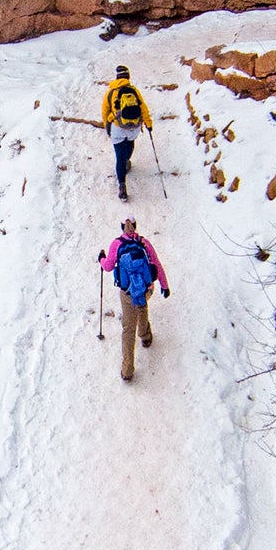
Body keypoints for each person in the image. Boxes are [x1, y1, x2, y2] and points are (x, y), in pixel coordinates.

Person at [98, 217, 170, 381]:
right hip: (146, 289)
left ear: (122, 227)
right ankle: (145, 336)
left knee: (128, 329)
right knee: (142, 308)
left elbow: (108, 266)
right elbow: (156, 264)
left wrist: (101, 258)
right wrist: (164, 286)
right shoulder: (144, 242)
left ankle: (127, 370)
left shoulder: (117, 244)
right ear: (136, 226)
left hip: (128, 292)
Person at [100, 65, 153, 201]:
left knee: (119, 156)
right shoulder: (134, 90)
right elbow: (143, 108)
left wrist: (107, 126)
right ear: (128, 77)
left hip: (117, 127)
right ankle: (126, 162)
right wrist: (148, 124)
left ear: (117, 77)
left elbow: (105, 111)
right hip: (133, 128)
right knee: (130, 145)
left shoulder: (111, 92)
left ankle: (122, 185)